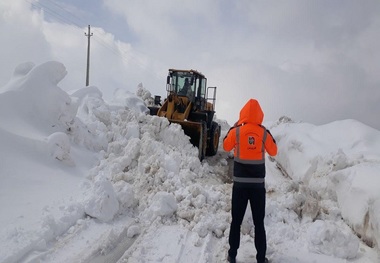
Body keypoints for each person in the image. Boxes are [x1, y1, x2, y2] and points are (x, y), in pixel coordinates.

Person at [223, 98, 277, 263]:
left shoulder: (237, 131)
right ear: (259, 114)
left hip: (240, 186)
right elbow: (274, 151)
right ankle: (261, 258)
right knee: (259, 223)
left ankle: (232, 255)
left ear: (243, 113)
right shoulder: (263, 132)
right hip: (257, 187)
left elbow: (225, 146)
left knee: (236, 221)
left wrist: (234, 128)